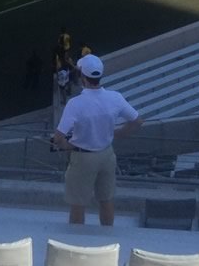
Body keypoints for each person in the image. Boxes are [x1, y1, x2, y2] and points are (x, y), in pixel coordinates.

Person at [51, 53, 142, 226]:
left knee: (78, 203)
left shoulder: (76, 104)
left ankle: (76, 242)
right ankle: (107, 237)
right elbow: (137, 121)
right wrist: (119, 134)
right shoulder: (115, 97)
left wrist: (66, 146)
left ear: (82, 77)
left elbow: (58, 137)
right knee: (106, 200)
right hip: (107, 155)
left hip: (83, 157)